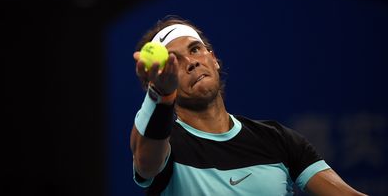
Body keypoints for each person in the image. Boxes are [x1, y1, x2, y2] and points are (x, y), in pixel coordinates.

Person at [130, 15, 367, 195]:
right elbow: (145, 162)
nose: (191, 62)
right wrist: (161, 93)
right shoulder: (166, 148)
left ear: (213, 59)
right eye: (175, 62)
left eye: (195, 49)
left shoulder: (277, 140)